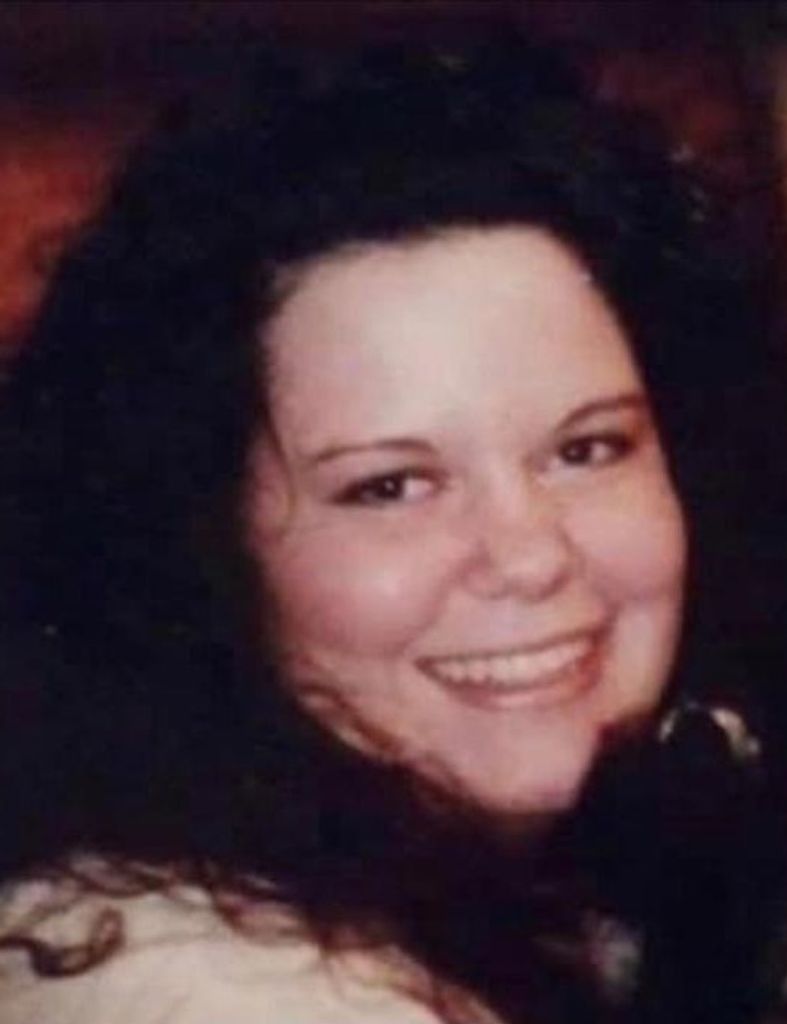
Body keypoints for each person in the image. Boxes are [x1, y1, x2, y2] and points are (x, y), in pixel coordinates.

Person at [0, 36, 780, 1024]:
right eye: (392, 486)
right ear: (200, 551)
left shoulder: (568, 887)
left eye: (586, 449)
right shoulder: (219, 990)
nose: (530, 554)